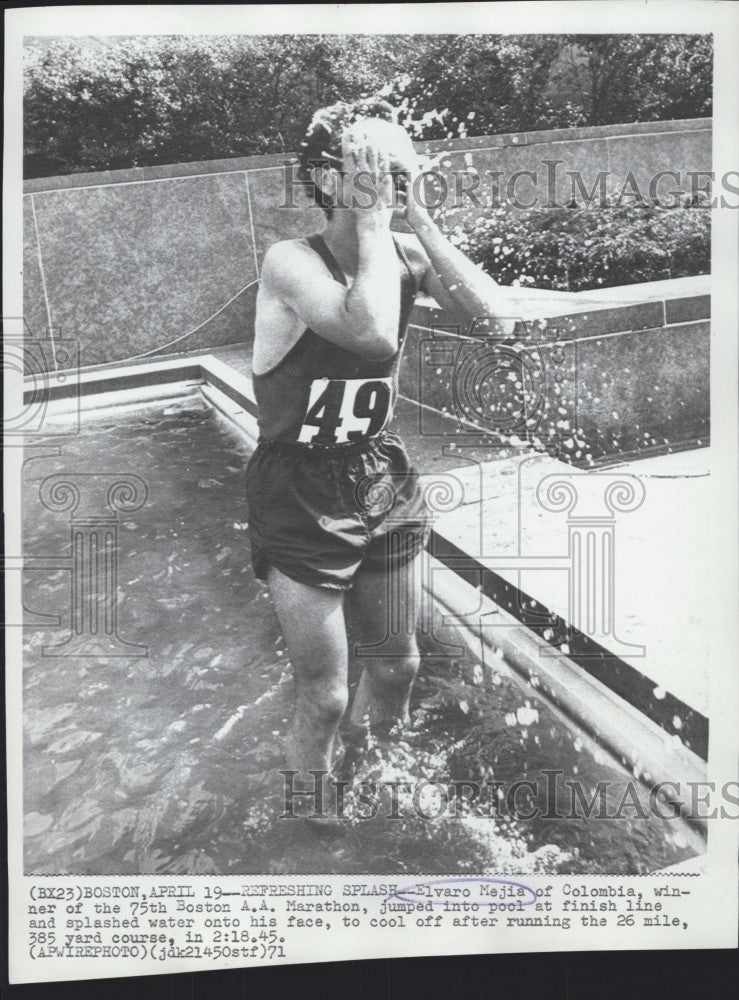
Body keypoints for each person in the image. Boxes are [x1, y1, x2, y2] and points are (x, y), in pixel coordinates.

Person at [246, 98, 515, 819]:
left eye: (396, 170)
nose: (384, 183)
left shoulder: (406, 252)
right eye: (368, 169)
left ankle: (377, 791)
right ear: (324, 180)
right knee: (326, 692)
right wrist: (370, 225)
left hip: (378, 473)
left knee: (397, 665)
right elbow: (366, 332)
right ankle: (310, 819)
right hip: (298, 488)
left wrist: (418, 218)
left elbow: (494, 318)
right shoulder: (289, 262)